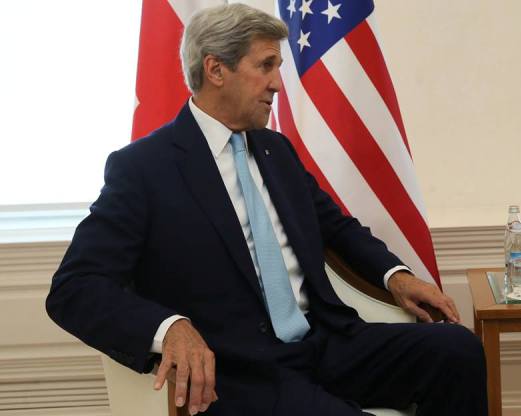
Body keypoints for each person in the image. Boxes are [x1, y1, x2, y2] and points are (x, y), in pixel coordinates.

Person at [46, 4, 487, 415]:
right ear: (216, 70)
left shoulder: (277, 150)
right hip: (242, 369)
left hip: (325, 341)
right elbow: (74, 288)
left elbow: (335, 227)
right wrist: (169, 327)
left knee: (457, 350)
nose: (277, 82)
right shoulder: (144, 168)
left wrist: (397, 276)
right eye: (266, 66)